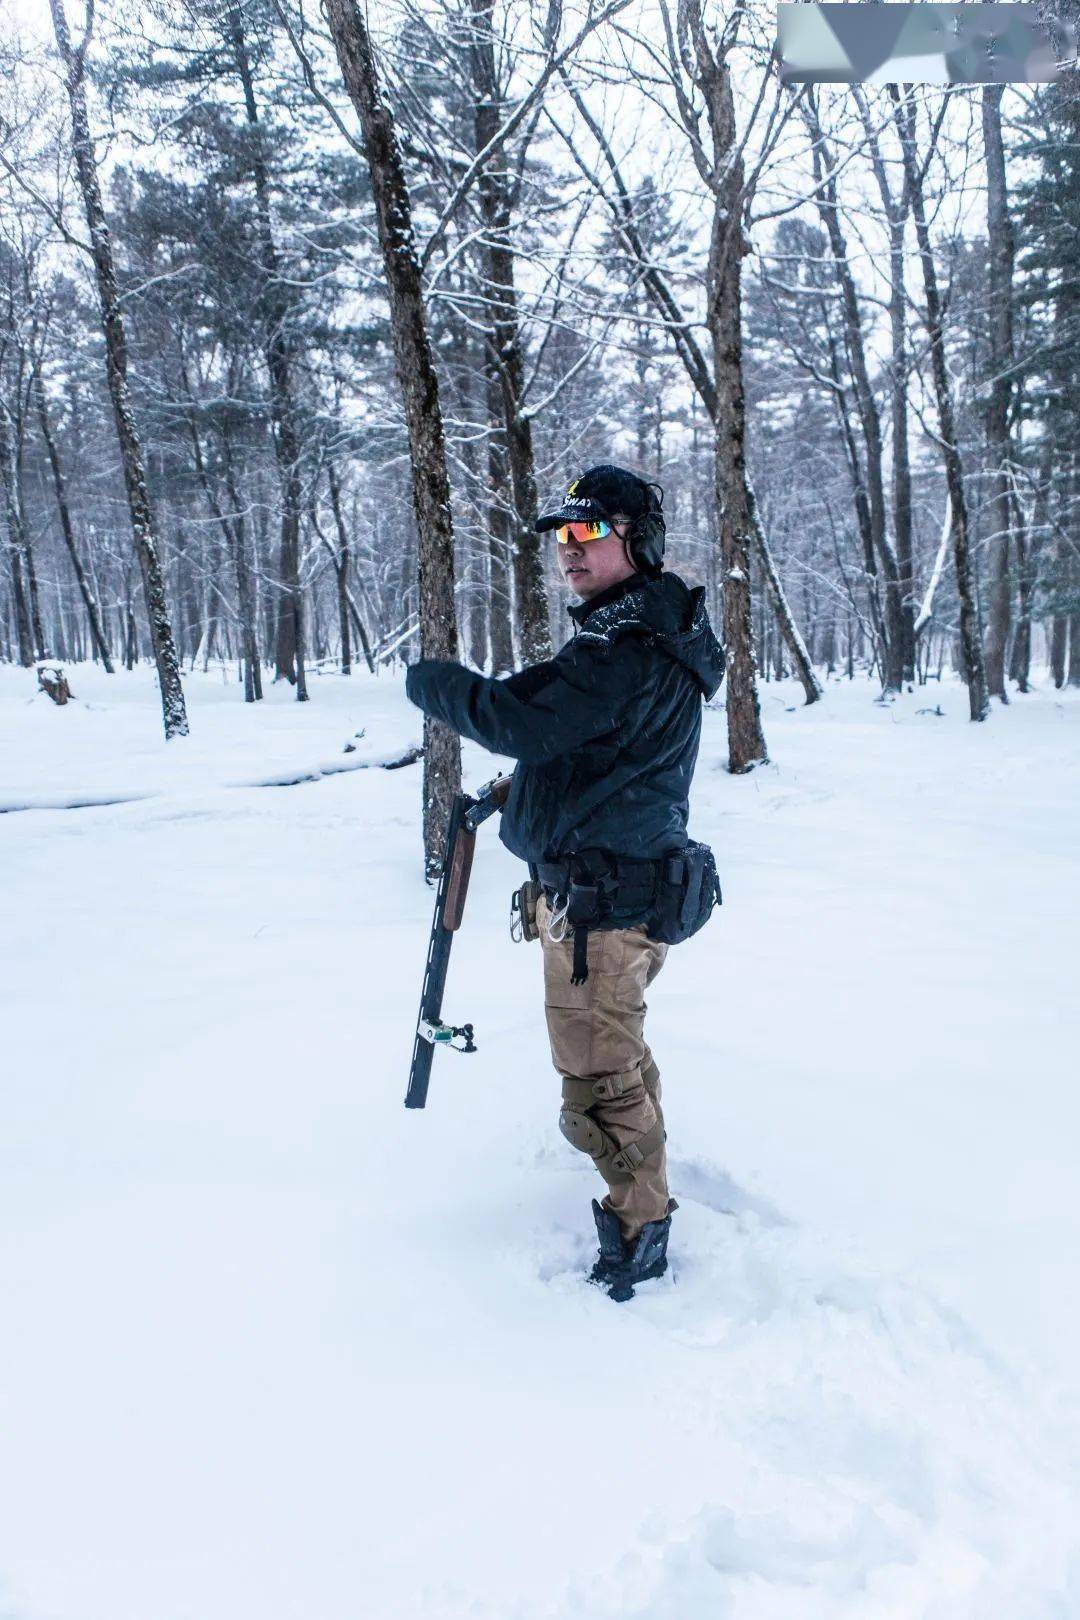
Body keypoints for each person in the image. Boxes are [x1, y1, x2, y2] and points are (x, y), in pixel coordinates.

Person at [405, 464, 725, 1300]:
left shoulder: (628, 649)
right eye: (561, 536)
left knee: (596, 1080)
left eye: (590, 533)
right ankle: (644, 1193)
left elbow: (519, 721)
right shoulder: (632, 635)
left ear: (637, 540)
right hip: (612, 897)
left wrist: (433, 682)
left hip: (605, 910)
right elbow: (595, 749)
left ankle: (638, 1234)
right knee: (616, 1059)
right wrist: (522, 793)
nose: (568, 552)